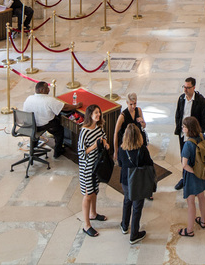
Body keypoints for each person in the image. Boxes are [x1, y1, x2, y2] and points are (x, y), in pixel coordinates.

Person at [22, 81, 82, 158]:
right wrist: (76, 106)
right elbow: (65, 107)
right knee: (59, 129)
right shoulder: (49, 100)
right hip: (42, 126)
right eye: (47, 88)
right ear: (41, 90)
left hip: (29, 125)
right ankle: (58, 151)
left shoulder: (29, 98)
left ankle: (34, 145)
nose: (49, 89)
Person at [118, 123, 154, 245]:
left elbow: (120, 163)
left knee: (127, 201)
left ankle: (124, 225)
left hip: (125, 180)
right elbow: (149, 164)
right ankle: (134, 235)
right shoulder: (142, 150)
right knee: (137, 208)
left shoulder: (121, 149)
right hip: (138, 181)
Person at [173, 77, 205, 190]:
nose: (185, 90)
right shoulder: (181, 98)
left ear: (194, 87)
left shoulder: (201, 101)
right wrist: (180, 128)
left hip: (194, 137)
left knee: (195, 158)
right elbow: (178, 114)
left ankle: (197, 178)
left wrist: (198, 133)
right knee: (184, 156)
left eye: (188, 88)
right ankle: (184, 178)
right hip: (183, 134)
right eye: (184, 87)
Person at [79, 104, 110, 237]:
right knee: (88, 194)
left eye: (99, 112)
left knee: (94, 191)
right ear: (90, 115)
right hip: (87, 168)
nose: (98, 115)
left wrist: (105, 143)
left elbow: (104, 137)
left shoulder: (99, 128)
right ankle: (86, 225)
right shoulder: (84, 131)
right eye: (96, 113)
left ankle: (93, 213)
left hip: (96, 165)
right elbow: (82, 153)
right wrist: (94, 146)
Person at [178, 116, 205, 237]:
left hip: (192, 176)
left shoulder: (188, 144)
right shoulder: (203, 136)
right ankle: (203, 221)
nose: (182, 128)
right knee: (201, 196)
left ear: (189, 129)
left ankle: (189, 230)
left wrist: (194, 172)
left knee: (190, 201)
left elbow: (184, 164)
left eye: (184, 126)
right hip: (203, 172)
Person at [113, 93, 146, 164]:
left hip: (137, 140)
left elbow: (144, 126)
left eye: (135, 103)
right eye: (131, 104)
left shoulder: (138, 110)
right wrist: (116, 151)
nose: (133, 106)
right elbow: (116, 133)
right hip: (127, 142)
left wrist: (142, 121)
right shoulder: (122, 116)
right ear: (127, 103)